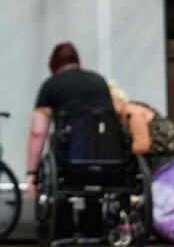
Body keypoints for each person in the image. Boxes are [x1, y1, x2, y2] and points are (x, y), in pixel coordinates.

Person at [26, 42, 120, 178]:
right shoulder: (99, 81)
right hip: (110, 157)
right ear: (78, 61)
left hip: (70, 159)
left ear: (53, 65)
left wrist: (32, 173)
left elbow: (38, 133)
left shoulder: (51, 85)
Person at [118, 92, 174, 162]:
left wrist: (114, 150)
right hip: (165, 160)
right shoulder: (123, 114)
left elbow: (141, 146)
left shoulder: (132, 111)